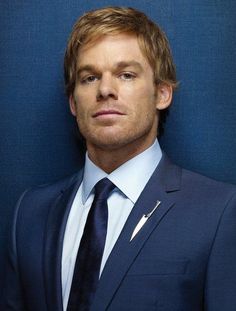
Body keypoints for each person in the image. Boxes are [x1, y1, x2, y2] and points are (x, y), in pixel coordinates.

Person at [3, 6, 236, 311]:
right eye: (89, 78)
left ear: (162, 94)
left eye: (126, 74)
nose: (105, 90)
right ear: (73, 102)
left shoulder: (220, 212)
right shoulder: (29, 214)